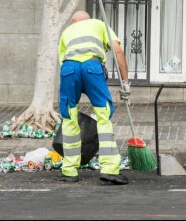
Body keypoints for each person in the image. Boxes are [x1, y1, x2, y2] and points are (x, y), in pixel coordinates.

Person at [56, 11, 131, 185]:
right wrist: (126, 82)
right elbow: (118, 51)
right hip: (92, 67)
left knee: (68, 117)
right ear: (87, 19)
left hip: (69, 69)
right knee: (103, 116)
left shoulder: (67, 32)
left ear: (73, 22)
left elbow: (64, 63)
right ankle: (110, 170)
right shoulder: (98, 23)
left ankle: (69, 171)